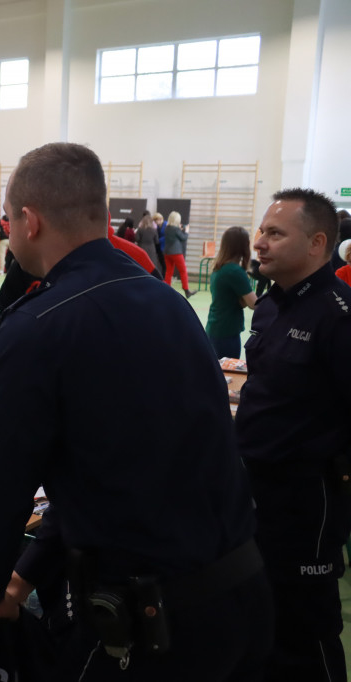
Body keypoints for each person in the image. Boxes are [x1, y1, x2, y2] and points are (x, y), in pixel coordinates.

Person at [0, 142, 271, 681]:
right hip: (242, 600)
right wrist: (23, 576)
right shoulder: (170, 303)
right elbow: (111, 471)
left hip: (151, 629)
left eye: (9, 221)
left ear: (28, 222)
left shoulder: (39, 326)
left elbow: (2, 482)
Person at [235, 188, 351, 681]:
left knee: (305, 630)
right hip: (254, 491)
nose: (260, 243)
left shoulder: (338, 316)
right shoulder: (269, 307)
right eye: (262, 230)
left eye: (275, 233)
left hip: (308, 501)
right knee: (260, 619)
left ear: (317, 243)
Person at [205, 226, 256, 359]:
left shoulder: (219, 268)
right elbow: (253, 304)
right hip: (227, 332)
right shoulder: (234, 271)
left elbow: (239, 302)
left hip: (215, 328)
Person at [163, 211, 195, 298]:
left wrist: (180, 230)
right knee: (183, 271)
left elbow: (174, 234)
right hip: (176, 252)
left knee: (169, 272)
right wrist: (187, 231)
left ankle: (166, 290)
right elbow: (183, 238)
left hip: (167, 253)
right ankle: (186, 290)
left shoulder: (167, 228)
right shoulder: (176, 229)